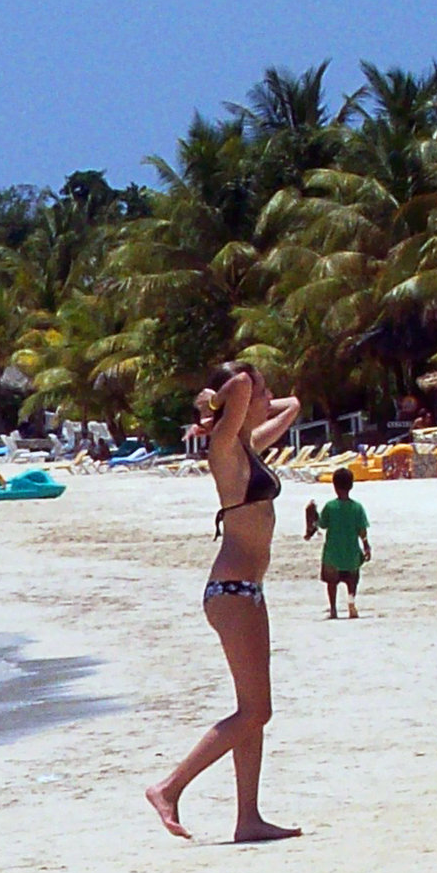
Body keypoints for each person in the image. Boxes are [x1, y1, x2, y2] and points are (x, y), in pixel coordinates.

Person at [147, 360, 303, 843]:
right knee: (256, 712)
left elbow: (293, 405)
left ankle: (248, 818)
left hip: (247, 590)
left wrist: (251, 399)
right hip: (232, 591)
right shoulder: (223, 448)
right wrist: (219, 399)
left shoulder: (247, 448)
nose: (267, 396)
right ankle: (169, 788)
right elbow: (234, 385)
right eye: (261, 391)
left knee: (250, 710)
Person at [307, 469, 370, 618]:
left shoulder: (330, 506)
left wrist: (313, 514)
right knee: (352, 580)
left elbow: (322, 524)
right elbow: (362, 531)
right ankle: (351, 601)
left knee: (331, 583)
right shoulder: (357, 507)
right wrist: (366, 546)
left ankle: (334, 609)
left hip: (333, 554)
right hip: (351, 553)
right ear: (351, 486)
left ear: (334, 486)